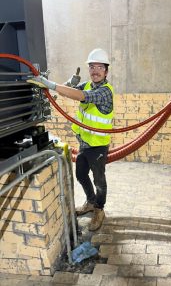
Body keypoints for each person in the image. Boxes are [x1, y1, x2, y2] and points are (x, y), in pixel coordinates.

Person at [27, 48, 114, 231]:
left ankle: (99, 210)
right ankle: (90, 202)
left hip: (97, 145)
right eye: (92, 66)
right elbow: (69, 91)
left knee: (99, 180)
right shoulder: (88, 84)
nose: (95, 70)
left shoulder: (105, 91)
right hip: (84, 143)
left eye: (99, 67)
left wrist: (49, 84)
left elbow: (81, 97)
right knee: (81, 174)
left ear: (106, 71)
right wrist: (69, 82)